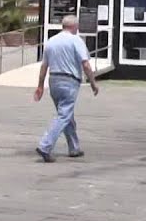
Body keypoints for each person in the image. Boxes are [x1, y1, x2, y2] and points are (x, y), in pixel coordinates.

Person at [33, 15, 99, 162]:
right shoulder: (76, 40)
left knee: (66, 115)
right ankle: (45, 145)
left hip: (54, 81)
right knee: (63, 115)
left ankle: (74, 147)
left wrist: (40, 86)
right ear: (75, 26)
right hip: (69, 81)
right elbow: (86, 64)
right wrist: (93, 83)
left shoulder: (51, 41)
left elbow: (44, 66)